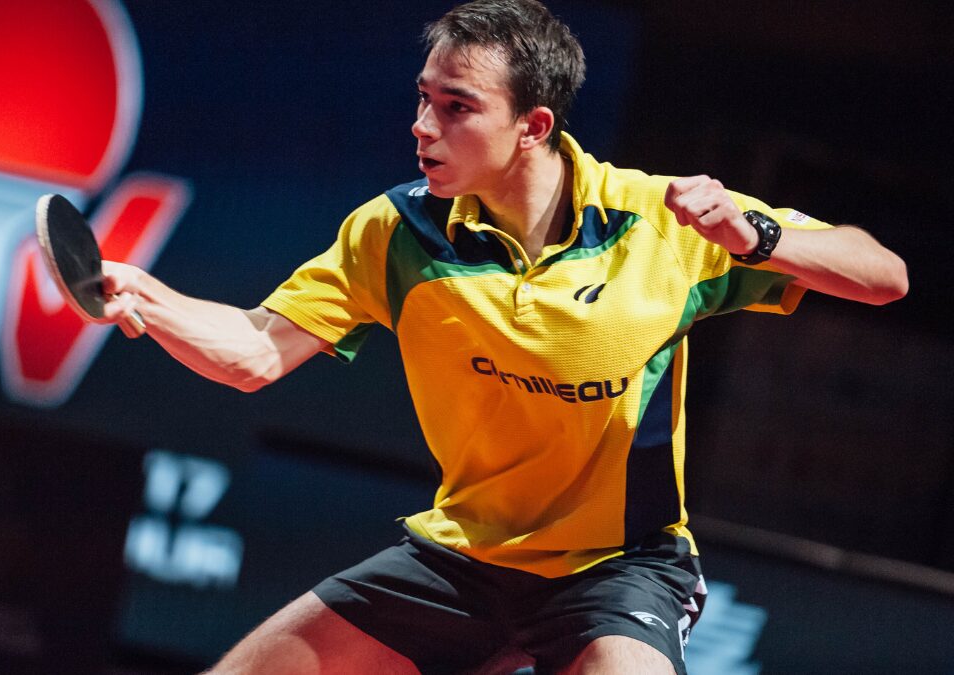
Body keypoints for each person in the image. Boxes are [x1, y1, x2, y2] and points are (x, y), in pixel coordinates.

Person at [100, 1, 908, 672]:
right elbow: (253, 352)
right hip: (462, 559)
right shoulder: (398, 231)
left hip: (618, 567)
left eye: (457, 107)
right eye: (423, 98)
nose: (423, 125)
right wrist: (150, 296)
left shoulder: (658, 223)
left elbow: (882, 273)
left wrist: (756, 236)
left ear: (533, 126)